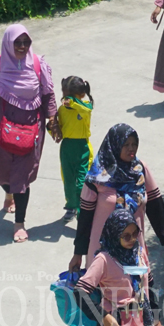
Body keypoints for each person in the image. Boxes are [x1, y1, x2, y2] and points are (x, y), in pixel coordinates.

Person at [0, 24, 57, 243]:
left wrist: (53, 120)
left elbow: (48, 95)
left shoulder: (38, 65)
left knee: (22, 179)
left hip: (31, 132)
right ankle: (8, 194)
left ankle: (19, 223)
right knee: (4, 177)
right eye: (17, 42)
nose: (22, 47)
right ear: (8, 43)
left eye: (26, 42)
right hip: (2, 131)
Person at [69, 124, 164, 283]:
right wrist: (78, 253)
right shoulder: (97, 176)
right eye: (125, 144)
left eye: (134, 144)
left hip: (134, 248)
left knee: (137, 292)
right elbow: (85, 217)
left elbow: (156, 207)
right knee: (106, 300)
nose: (131, 149)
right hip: (103, 255)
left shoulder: (140, 170)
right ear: (114, 145)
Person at [52, 76, 94, 223]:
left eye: (70, 95)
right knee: (68, 180)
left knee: (82, 182)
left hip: (82, 148)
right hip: (67, 147)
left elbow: (86, 110)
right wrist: (52, 128)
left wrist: (74, 102)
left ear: (81, 95)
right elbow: (60, 129)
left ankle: (84, 210)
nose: (66, 99)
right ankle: (71, 206)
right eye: (64, 95)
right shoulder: (62, 110)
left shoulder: (85, 106)